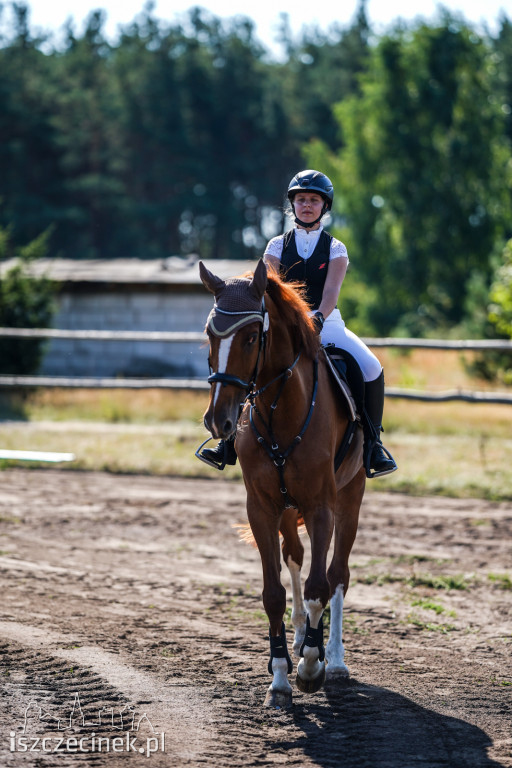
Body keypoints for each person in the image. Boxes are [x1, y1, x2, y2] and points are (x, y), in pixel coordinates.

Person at [201, 169, 397, 478]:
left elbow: (331, 291)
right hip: (286, 329)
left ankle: (373, 445)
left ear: (324, 207)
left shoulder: (336, 249)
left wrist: (318, 316)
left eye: (314, 200)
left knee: (372, 368)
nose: (307, 205)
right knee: (250, 365)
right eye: (301, 199)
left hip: (327, 324)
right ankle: (227, 443)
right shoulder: (276, 246)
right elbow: (270, 287)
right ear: (293, 205)